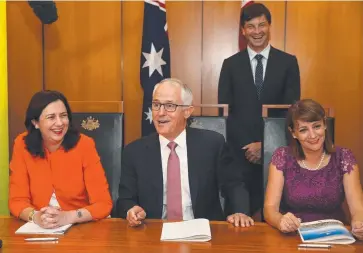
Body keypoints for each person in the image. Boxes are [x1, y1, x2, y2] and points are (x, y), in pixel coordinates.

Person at [117, 78, 253, 227]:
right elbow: (125, 199)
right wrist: (131, 209)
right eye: (156, 105)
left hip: (204, 229)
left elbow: (233, 184)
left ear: (187, 111)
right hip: (153, 230)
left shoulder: (212, 144)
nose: (160, 113)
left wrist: (240, 211)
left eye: (169, 106)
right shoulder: (134, 152)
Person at [218, 3, 301, 215]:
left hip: (277, 157)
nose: (257, 31)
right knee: (239, 224)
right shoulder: (230, 65)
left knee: (275, 222)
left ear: (269, 26)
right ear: (243, 30)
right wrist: (248, 147)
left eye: (262, 25)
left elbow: (290, 112)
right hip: (239, 160)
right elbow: (225, 113)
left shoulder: (288, 63)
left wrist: (263, 145)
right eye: (251, 26)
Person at [9, 90, 112, 229]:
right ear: (35, 122)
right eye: (51, 117)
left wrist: (68, 217)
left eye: (63, 116)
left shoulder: (84, 145)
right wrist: (36, 216)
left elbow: (103, 204)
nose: (60, 123)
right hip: (37, 229)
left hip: (80, 228)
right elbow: (17, 201)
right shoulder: (22, 145)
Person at [264, 99, 363, 240]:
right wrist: (280, 221)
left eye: (316, 126)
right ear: (293, 133)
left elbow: (358, 209)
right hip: (294, 235)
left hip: (334, 237)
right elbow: (270, 209)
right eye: (303, 130)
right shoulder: (282, 157)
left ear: (324, 124)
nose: (312, 135)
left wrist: (359, 224)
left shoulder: (343, 157)